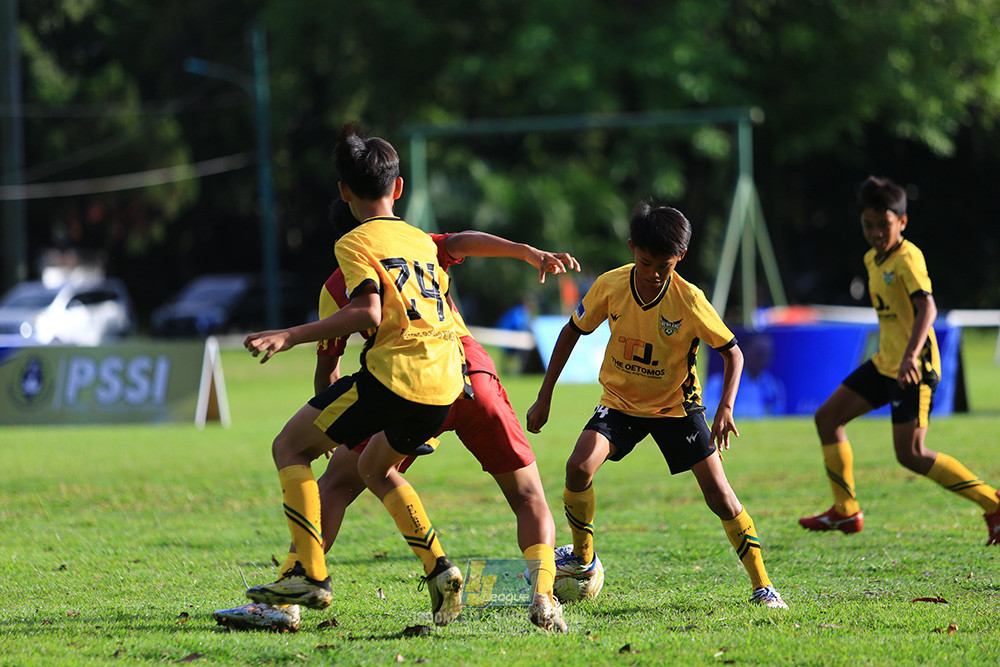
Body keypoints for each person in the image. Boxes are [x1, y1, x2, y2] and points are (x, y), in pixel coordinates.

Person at [215, 203, 580, 633]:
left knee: (335, 482)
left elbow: (329, 367)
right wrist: (526, 251)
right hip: (468, 374)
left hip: (406, 384)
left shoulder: (341, 277)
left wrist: (337, 432)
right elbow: (461, 240)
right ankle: (542, 596)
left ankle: (291, 594)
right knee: (528, 497)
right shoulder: (416, 242)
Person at [241, 123, 470, 628]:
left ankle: (310, 574)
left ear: (344, 193)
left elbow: (367, 313)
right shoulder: (420, 241)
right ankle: (440, 570)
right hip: (446, 383)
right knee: (374, 470)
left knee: (289, 448)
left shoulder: (354, 243)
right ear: (400, 187)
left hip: (396, 376)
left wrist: (289, 335)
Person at [525, 202, 788, 609]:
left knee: (720, 495)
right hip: (621, 402)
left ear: (679, 258)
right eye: (645, 262)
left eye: (663, 265)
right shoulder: (610, 285)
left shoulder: (691, 300)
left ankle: (763, 586)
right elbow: (571, 331)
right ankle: (582, 556)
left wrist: (726, 408)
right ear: (632, 249)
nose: (653, 273)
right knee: (578, 466)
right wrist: (545, 396)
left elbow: (733, 352)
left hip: (676, 407)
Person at [799, 175, 1000, 543]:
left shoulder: (909, 258)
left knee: (911, 454)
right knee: (827, 418)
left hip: (914, 368)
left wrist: (909, 357)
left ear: (902, 222)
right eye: (868, 225)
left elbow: (928, 308)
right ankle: (845, 512)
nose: (876, 232)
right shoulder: (872, 260)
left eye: (884, 225)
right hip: (885, 363)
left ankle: (992, 502)